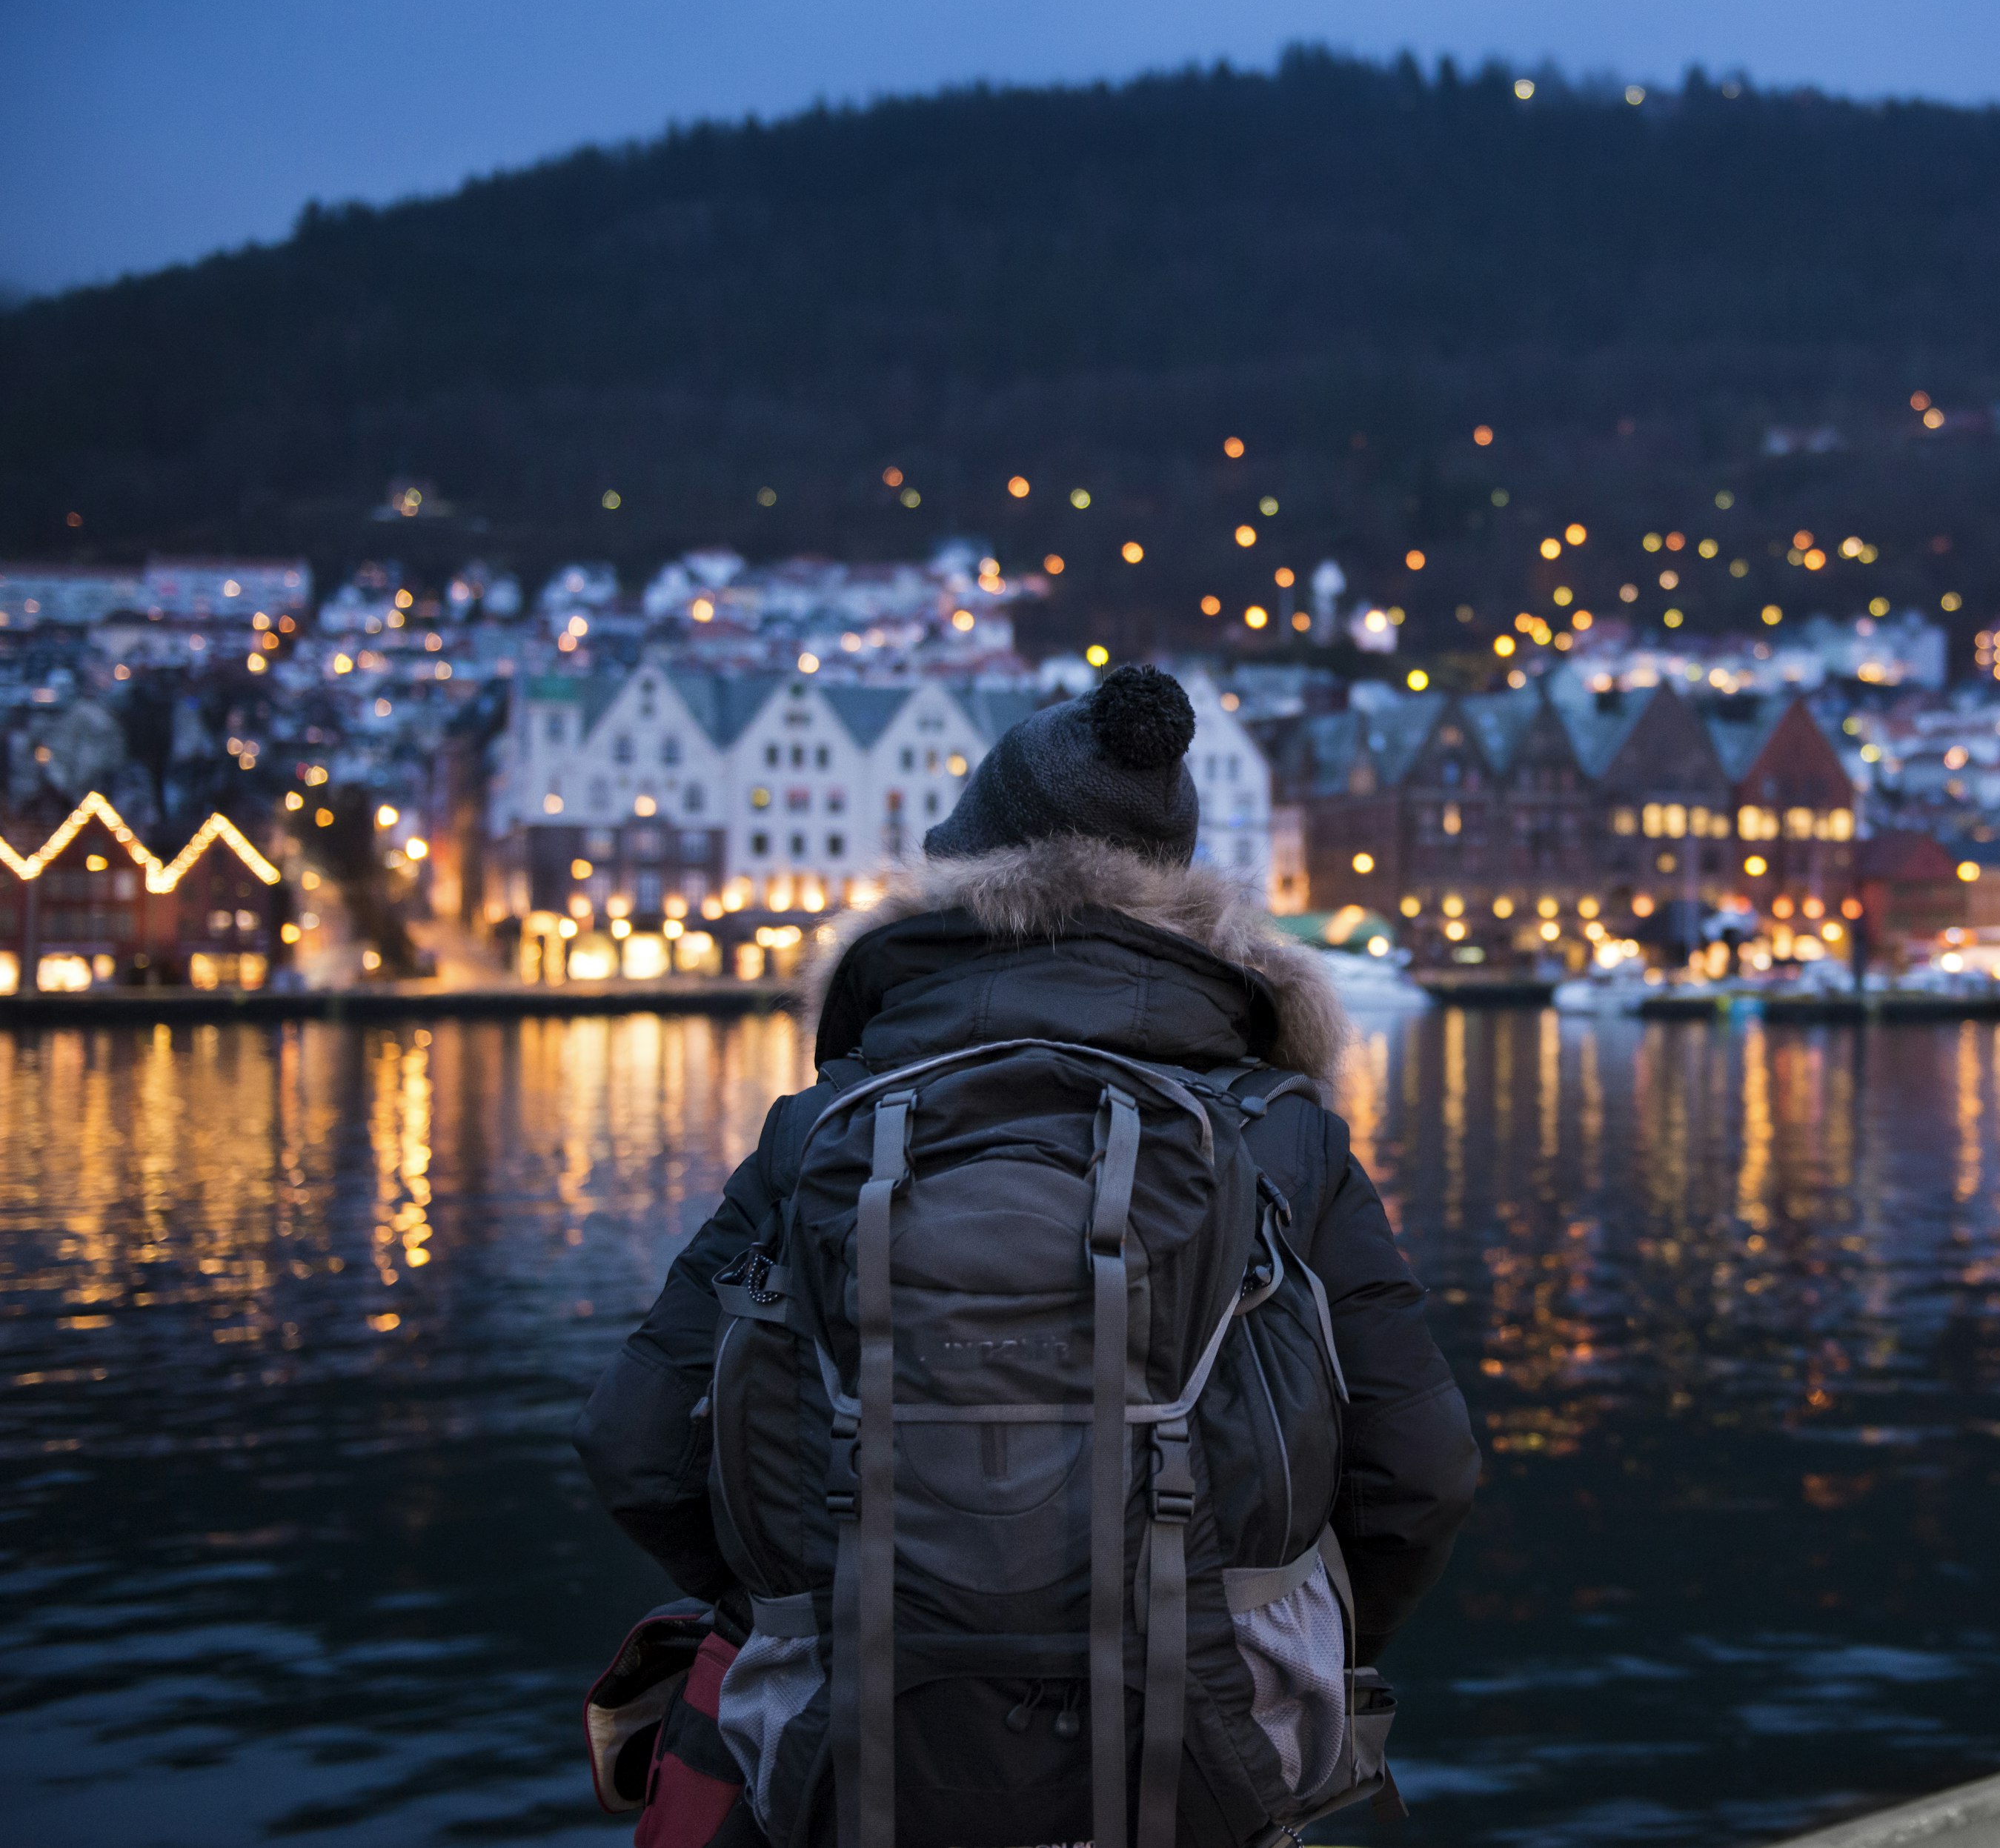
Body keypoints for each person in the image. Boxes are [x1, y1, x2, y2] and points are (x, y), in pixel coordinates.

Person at [573, 663, 1479, 1845]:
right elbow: (1424, 1471)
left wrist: (806, 1602)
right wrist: (1251, 1632)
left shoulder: (824, 1131)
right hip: (1214, 1766)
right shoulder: (1279, 1136)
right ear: (1187, 903)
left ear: (954, 884)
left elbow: (633, 1442)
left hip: (848, 1762)